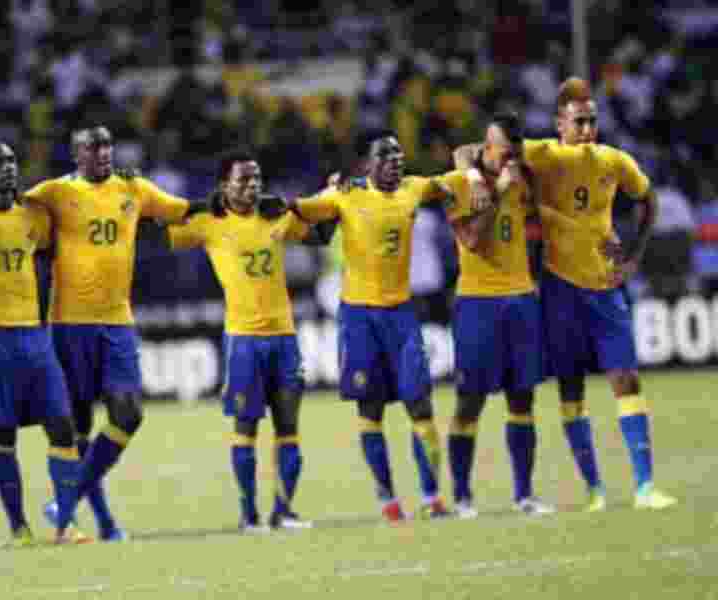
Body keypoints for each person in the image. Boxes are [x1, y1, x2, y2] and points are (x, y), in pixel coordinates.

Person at [456, 78, 677, 511]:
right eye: (580, 121)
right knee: (569, 391)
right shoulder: (543, 153)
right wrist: (472, 176)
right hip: (559, 289)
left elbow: (649, 201)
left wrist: (633, 254)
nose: (589, 128)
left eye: (593, 120)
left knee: (626, 380)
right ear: (560, 124)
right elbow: (469, 151)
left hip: (606, 287)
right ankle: (595, 490)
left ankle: (645, 486)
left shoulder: (615, 161)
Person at [27, 126, 224, 540]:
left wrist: (229, 202)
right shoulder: (53, 193)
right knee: (78, 427)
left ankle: (65, 504)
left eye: (106, 146)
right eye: (91, 148)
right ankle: (101, 521)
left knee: (128, 413)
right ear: (75, 154)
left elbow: (182, 210)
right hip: (68, 324)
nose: (102, 154)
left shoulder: (133, 187)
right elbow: (10, 212)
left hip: (118, 321)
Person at [163, 150, 335, 532]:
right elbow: (154, 232)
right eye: (243, 180)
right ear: (225, 186)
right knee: (246, 429)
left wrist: (331, 195)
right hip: (243, 341)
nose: (252, 186)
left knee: (289, 428)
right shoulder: (208, 223)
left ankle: (284, 511)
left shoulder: (276, 217)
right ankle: (248, 514)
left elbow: (322, 233)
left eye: (257, 179)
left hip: (284, 338)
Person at [287, 130, 452, 521]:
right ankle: (387, 497)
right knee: (370, 410)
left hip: (401, 313)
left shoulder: (414, 189)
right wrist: (314, 195)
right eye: (385, 155)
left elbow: (455, 182)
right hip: (359, 317)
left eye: (398, 154)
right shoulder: (345, 194)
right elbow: (304, 212)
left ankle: (431, 496)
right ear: (367, 164)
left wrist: (478, 179)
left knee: (420, 404)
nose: (396, 160)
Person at [0, 142, 87, 545]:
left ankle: (65, 523)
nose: (6, 168)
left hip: (34, 333)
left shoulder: (32, 214)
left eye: (10, 161)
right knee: (3, 435)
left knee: (62, 426)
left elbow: (50, 247)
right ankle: (18, 526)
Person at [437, 111, 554, 518]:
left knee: (523, 400)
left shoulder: (522, 174)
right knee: (470, 403)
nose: (512, 161)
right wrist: (496, 189)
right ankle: (463, 495)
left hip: (521, 299)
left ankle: (524, 494)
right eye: (506, 152)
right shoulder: (458, 184)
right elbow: (470, 240)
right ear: (487, 147)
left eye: (515, 154)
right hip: (477, 302)